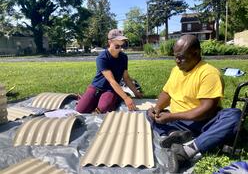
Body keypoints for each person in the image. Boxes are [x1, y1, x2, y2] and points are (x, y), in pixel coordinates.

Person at [147, 35, 241, 173]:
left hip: (203, 122)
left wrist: (172, 117)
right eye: (175, 57)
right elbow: (166, 93)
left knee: (234, 116)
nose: (177, 61)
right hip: (178, 121)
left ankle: (186, 151)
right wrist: (157, 108)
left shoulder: (208, 73)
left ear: (196, 53)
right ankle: (176, 135)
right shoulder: (176, 70)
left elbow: (206, 111)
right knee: (149, 113)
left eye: (181, 57)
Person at [76, 29, 143, 114]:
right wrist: (126, 98)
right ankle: (87, 98)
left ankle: (116, 96)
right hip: (97, 87)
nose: (120, 49)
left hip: (110, 89)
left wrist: (136, 92)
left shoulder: (124, 57)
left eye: (123, 46)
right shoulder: (102, 58)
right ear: (109, 42)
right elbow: (112, 81)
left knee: (103, 109)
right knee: (80, 110)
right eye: (117, 46)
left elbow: (126, 78)